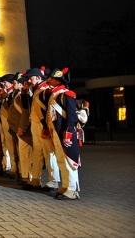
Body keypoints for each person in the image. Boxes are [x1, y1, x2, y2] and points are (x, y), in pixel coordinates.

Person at [21, 67, 59, 192]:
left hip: (43, 125)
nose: (29, 80)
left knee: (49, 152)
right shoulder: (37, 90)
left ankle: (54, 180)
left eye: (31, 78)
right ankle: (35, 180)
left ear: (38, 77)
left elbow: (48, 111)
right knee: (37, 152)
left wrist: (47, 127)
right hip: (36, 125)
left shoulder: (45, 90)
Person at [46, 68, 81, 200]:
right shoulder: (55, 94)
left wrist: (67, 134)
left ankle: (72, 190)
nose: (49, 80)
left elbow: (71, 117)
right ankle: (66, 186)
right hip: (56, 131)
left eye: (51, 78)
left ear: (58, 80)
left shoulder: (67, 94)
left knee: (69, 161)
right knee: (61, 160)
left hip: (66, 132)